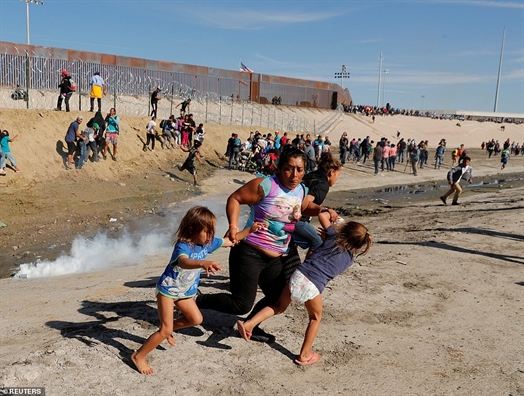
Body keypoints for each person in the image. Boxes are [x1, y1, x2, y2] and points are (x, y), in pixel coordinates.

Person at [196, 147, 338, 344]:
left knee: (279, 297)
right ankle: (197, 300)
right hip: (249, 252)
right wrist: (233, 226)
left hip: (277, 255)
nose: (294, 175)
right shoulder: (265, 185)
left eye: (299, 169)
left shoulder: (301, 190)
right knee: (240, 304)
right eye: (289, 168)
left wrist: (323, 209)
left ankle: (251, 326)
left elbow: (304, 207)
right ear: (279, 168)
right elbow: (235, 199)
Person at [130, 206, 265, 375]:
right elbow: (183, 262)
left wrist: (250, 230)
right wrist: (203, 263)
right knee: (164, 329)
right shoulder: (183, 246)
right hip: (168, 291)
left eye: (212, 232)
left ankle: (169, 329)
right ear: (192, 229)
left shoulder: (207, 244)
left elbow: (231, 240)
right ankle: (139, 356)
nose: (210, 237)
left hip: (185, 292)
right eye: (206, 232)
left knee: (196, 319)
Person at [237, 212, 372, 366]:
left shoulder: (333, 236)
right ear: (360, 245)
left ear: (344, 230)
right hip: (313, 285)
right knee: (315, 318)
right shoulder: (348, 260)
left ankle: (249, 324)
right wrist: (332, 235)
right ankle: (305, 354)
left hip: (298, 274)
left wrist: (334, 217)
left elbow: (322, 215)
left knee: (278, 306)